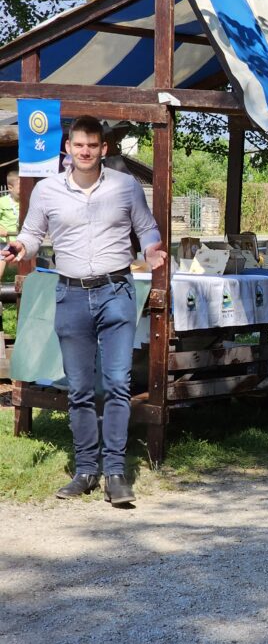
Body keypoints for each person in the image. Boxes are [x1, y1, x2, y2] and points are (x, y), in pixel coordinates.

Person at [4, 116, 167, 504]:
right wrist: (20, 248)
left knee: (117, 384)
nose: (85, 151)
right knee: (79, 388)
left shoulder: (125, 186)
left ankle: (116, 473)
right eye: (79, 145)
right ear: (68, 148)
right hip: (71, 295)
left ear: (103, 149)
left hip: (116, 292)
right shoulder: (47, 190)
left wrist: (151, 249)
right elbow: (31, 233)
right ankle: (86, 470)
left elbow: (146, 227)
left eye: (92, 145)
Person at [0, 170, 21, 281]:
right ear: (10, 187)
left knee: (28, 266)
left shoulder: (27, 202)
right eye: (20, 186)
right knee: (1, 263)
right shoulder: (2, 202)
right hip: (5, 241)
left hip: (21, 241)